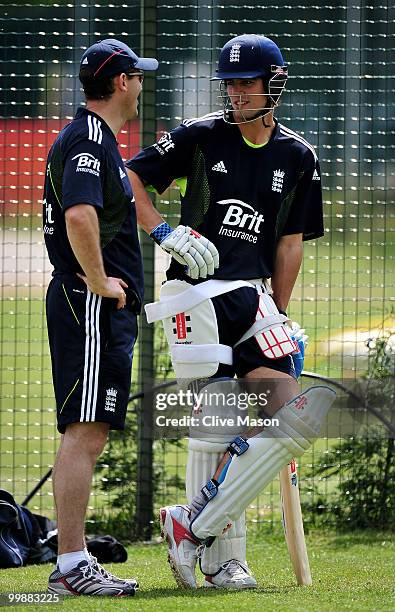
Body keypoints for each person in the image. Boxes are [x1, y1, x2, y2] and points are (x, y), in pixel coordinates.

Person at [126, 34, 327, 589]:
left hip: (252, 296)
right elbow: (132, 177)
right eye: (230, 84)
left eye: (247, 83)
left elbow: (290, 242)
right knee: (217, 425)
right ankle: (222, 562)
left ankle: (193, 526)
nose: (236, 94)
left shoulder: (298, 155)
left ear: (274, 85)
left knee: (295, 415)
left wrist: (278, 314)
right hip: (194, 292)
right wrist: (163, 230)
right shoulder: (198, 137)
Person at [42, 38, 160, 597]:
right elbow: (80, 215)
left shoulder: (102, 139)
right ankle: (71, 565)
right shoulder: (90, 137)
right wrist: (98, 281)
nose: (142, 84)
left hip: (97, 306)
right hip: (88, 303)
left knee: (89, 431)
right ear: (121, 83)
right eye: (138, 76)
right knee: (85, 432)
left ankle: (73, 560)